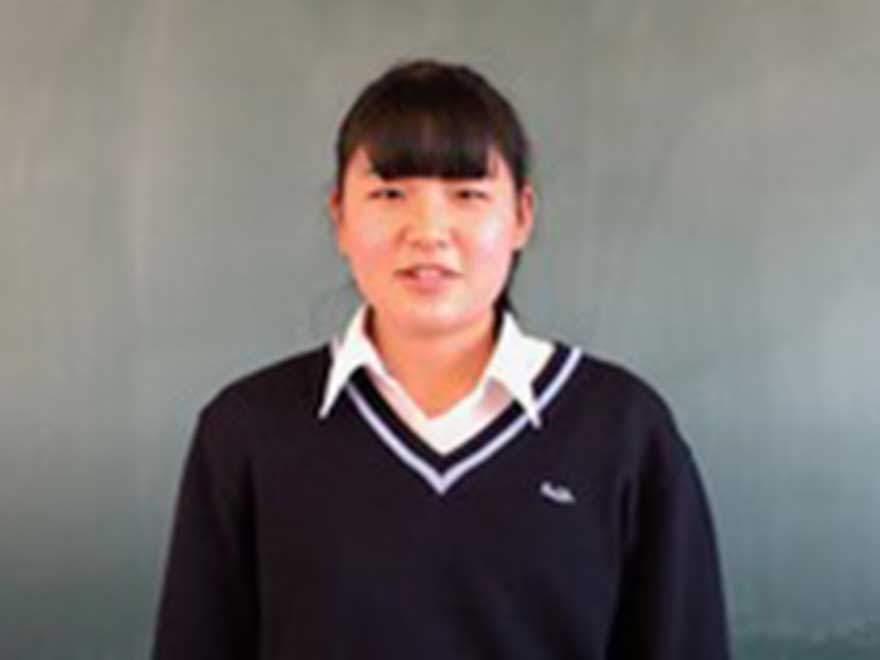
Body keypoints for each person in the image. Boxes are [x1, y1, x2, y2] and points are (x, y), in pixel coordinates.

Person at [152, 58, 730, 659]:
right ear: (340, 217)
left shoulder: (622, 429)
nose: (428, 231)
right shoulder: (249, 430)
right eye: (390, 194)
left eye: (468, 195)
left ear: (522, 217)